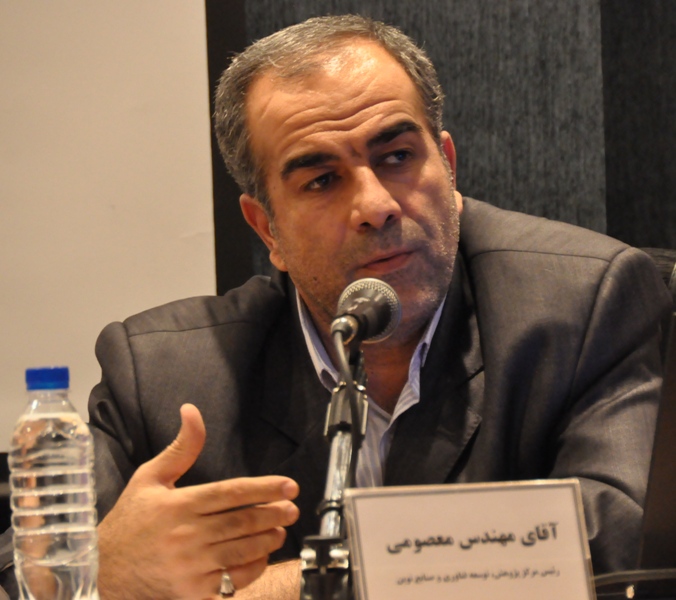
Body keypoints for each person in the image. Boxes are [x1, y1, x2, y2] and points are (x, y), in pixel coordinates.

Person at [0, 14, 671, 600]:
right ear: (266, 229)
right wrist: (99, 572)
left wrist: (294, 585)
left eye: (398, 156)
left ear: (448, 165)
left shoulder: (583, 305)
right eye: (322, 180)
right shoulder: (163, 374)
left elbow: (619, 541)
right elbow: (25, 569)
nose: (375, 205)